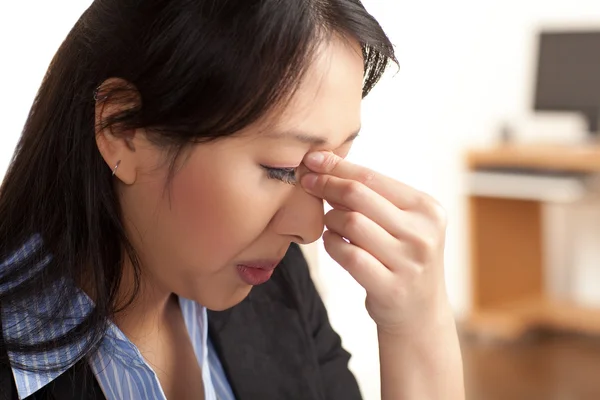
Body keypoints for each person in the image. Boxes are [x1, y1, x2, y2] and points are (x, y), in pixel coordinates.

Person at [0, 0, 464, 399]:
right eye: (281, 167)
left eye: (333, 163)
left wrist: (418, 329)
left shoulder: (278, 287)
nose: (310, 228)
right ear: (123, 131)